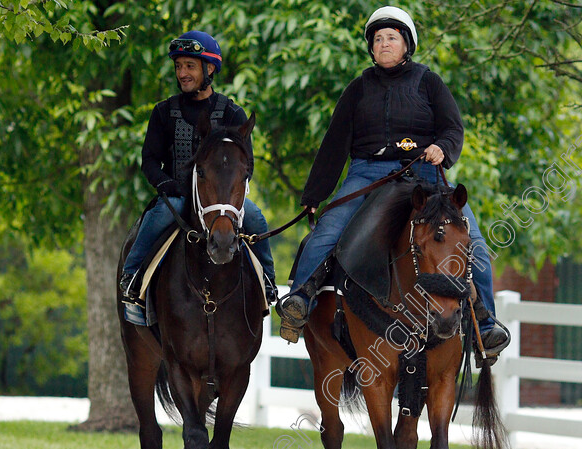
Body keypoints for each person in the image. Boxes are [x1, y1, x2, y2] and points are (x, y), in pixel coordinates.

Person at [276, 6, 508, 357]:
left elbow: (452, 128)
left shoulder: (429, 81)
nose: (384, 44)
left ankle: (485, 325)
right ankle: (300, 301)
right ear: (371, 48)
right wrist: (316, 193)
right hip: (366, 174)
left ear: (406, 44)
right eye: (378, 39)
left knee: (473, 242)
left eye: (392, 38)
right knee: (327, 231)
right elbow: (335, 142)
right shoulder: (357, 89)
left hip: (425, 174)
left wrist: (442, 148)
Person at [119, 31, 276, 304]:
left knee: (255, 217)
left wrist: (233, 195)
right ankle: (131, 275)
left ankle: (268, 283)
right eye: (179, 66)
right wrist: (164, 184)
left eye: (190, 66)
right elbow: (149, 160)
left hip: (221, 200)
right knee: (157, 218)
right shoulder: (163, 112)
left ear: (209, 68)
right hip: (178, 195)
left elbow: (246, 164)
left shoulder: (232, 114)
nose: (182, 73)